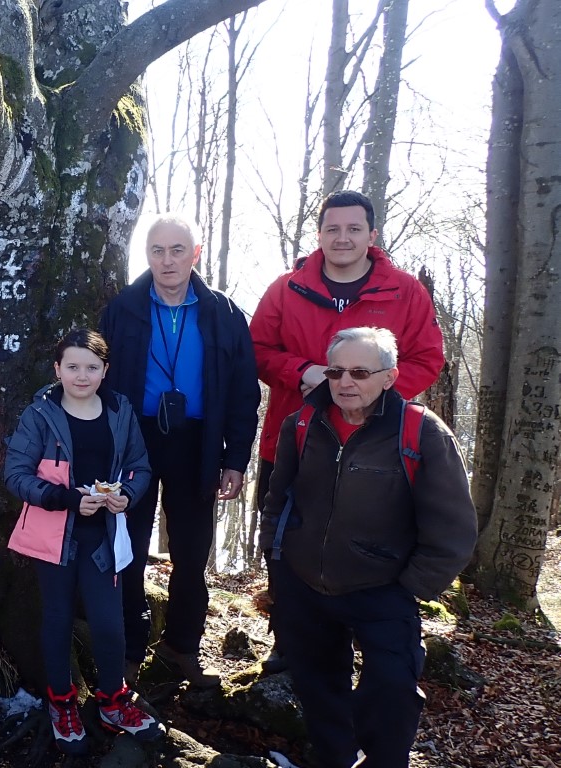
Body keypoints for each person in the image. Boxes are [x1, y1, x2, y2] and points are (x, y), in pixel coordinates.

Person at [260, 327, 474, 768]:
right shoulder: (301, 424)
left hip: (383, 587)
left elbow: (453, 528)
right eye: (335, 371)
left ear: (389, 377)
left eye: (359, 372)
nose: (344, 382)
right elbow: (277, 499)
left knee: (392, 689)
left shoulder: (421, 433)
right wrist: (279, 565)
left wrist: (411, 587)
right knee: (318, 688)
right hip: (304, 583)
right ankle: (335, 759)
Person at [250, 190, 444, 670]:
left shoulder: (404, 292)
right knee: (286, 538)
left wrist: (372, 394)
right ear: (319, 234)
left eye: (354, 229)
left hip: (378, 447)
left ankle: (370, 640)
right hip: (295, 439)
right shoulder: (287, 289)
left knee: (363, 538)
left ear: (371, 234)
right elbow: (256, 349)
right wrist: (302, 371)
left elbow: (427, 358)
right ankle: (289, 641)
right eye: (332, 229)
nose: (342, 238)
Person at [98, 214, 259, 687]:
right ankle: (129, 649)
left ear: (196, 253)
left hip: (198, 442)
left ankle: (182, 647)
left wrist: (235, 458)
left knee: (191, 551)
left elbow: (243, 391)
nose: (167, 261)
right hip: (134, 442)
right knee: (127, 547)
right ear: (147, 255)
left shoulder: (224, 313)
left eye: (177, 250)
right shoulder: (123, 308)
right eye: (157, 251)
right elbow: (96, 381)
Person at [3, 329, 164, 754]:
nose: (81, 376)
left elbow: (139, 466)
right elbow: (16, 474)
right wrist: (66, 498)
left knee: (109, 623)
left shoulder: (120, 410)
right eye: (72, 366)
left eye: (92, 367)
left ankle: (112, 701)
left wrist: (127, 495)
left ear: (105, 370)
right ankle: (62, 703)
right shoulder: (40, 414)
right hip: (54, 535)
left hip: (104, 537)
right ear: (57, 369)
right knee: (57, 619)